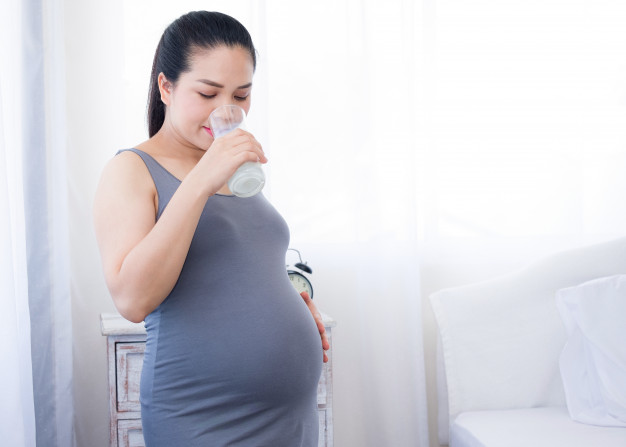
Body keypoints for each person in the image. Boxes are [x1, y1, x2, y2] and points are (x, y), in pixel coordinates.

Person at [93, 10, 329, 447]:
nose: (227, 110)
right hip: (202, 413)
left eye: (241, 95)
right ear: (166, 87)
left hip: (289, 417)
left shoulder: (234, 169)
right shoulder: (131, 170)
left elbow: (232, 262)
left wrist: (288, 299)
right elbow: (132, 299)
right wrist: (201, 178)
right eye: (207, 93)